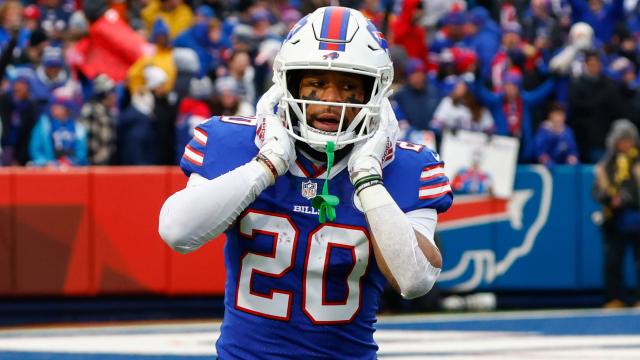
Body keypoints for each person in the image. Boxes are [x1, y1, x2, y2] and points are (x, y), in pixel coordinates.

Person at [159, 7, 452, 358]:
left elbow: (415, 280)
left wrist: (369, 177)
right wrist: (266, 164)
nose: (331, 100)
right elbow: (176, 232)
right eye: (316, 84)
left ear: (373, 93)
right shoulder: (235, 143)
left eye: (348, 86)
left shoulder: (405, 166)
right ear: (290, 84)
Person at [593, 119, 640, 309]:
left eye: (628, 140)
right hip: (614, 219)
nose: (625, 144)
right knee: (613, 261)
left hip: (637, 216)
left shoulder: (637, 163)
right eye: (622, 140)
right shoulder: (606, 165)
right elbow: (596, 191)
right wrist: (608, 198)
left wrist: (627, 198)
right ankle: (614, 297)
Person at [534, 102, 579, 167]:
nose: (559, 118)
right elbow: (538, 151)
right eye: (556, 115)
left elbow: (572, 149)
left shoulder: (567, 132)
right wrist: (545, 159)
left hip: (563, 168)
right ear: (550, 115)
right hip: (545, 169)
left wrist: (572, 157)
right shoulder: (543, 130)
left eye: (561, 115)